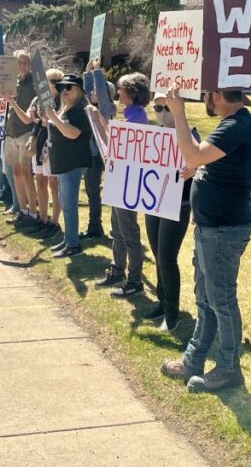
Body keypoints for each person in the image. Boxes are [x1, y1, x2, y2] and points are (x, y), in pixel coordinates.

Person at [160, 87, 251, 394]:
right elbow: (204, 157)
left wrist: (178, 113)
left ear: (216, 95)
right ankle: (194, 359)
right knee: (206, 298)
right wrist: (202, 163)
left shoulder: (237, 125)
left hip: (223, 228)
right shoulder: (234, 122)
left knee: (221, 301)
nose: (204, 100)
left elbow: (192, 153)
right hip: (212, 227)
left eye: (206, 94)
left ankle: (229, 369)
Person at [93, 71, 150, 297]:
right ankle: (118, 270)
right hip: (121, 179)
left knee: (128, 232)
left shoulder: (136, 118)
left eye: (122, 89)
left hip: (128, 182)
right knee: (117, 228)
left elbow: (117, 147)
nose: (118, 93)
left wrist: (99, 123)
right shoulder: (131, 116)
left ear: (133, 94)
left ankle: (135, 280)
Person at [143, 92, 193, 332]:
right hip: (154, 202)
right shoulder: (151, 136)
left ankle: (172, 312)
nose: (162, 113)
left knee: (167, 257)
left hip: (178, 204)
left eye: (166, 107)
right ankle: (162, 301)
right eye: (157, 108)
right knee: (157, 254)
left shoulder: (191, 136)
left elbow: (200, 163)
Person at [46, 73, 93, 258]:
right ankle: (68, 240)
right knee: (64, 201)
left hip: (73, 161)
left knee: (69, 203)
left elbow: (73, 133)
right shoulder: (66, 107)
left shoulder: (80, 110)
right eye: (61, 87)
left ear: (79, 90)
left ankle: (73, 245)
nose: (64, 90)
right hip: (63, 160)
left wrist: (53, 118)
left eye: (69, 87)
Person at [2, 51, 40, 229]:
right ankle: (22, 210)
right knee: (16, 173)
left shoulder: (35, 82)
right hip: (11, 132)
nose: (23, 66)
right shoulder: (11, 82)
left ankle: (33, 212)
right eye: (19, 63)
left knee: (26, 173)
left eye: (25, 62)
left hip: (25, 132)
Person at [25, 69, 64, 240]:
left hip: (54, 142)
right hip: (40, 139)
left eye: (57, 80)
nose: (54, 83)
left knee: (54, 183)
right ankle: (42, 218)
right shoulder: (38, 99)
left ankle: (54, 222)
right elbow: (30, 118)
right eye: (51, 80)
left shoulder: (63, 99)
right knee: (40, 180)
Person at [81, 60, 116, 239]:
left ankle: (105, 228)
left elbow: (100, 94)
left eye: (97, 89)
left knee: (101, 193)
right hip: (92, 155)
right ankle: (95, 226)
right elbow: (86, 93)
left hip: (102, 156)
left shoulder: (106, 109)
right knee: (91, 192)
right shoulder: (90, 108)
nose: (93, 92)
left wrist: (97, 72)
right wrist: (87, 73)